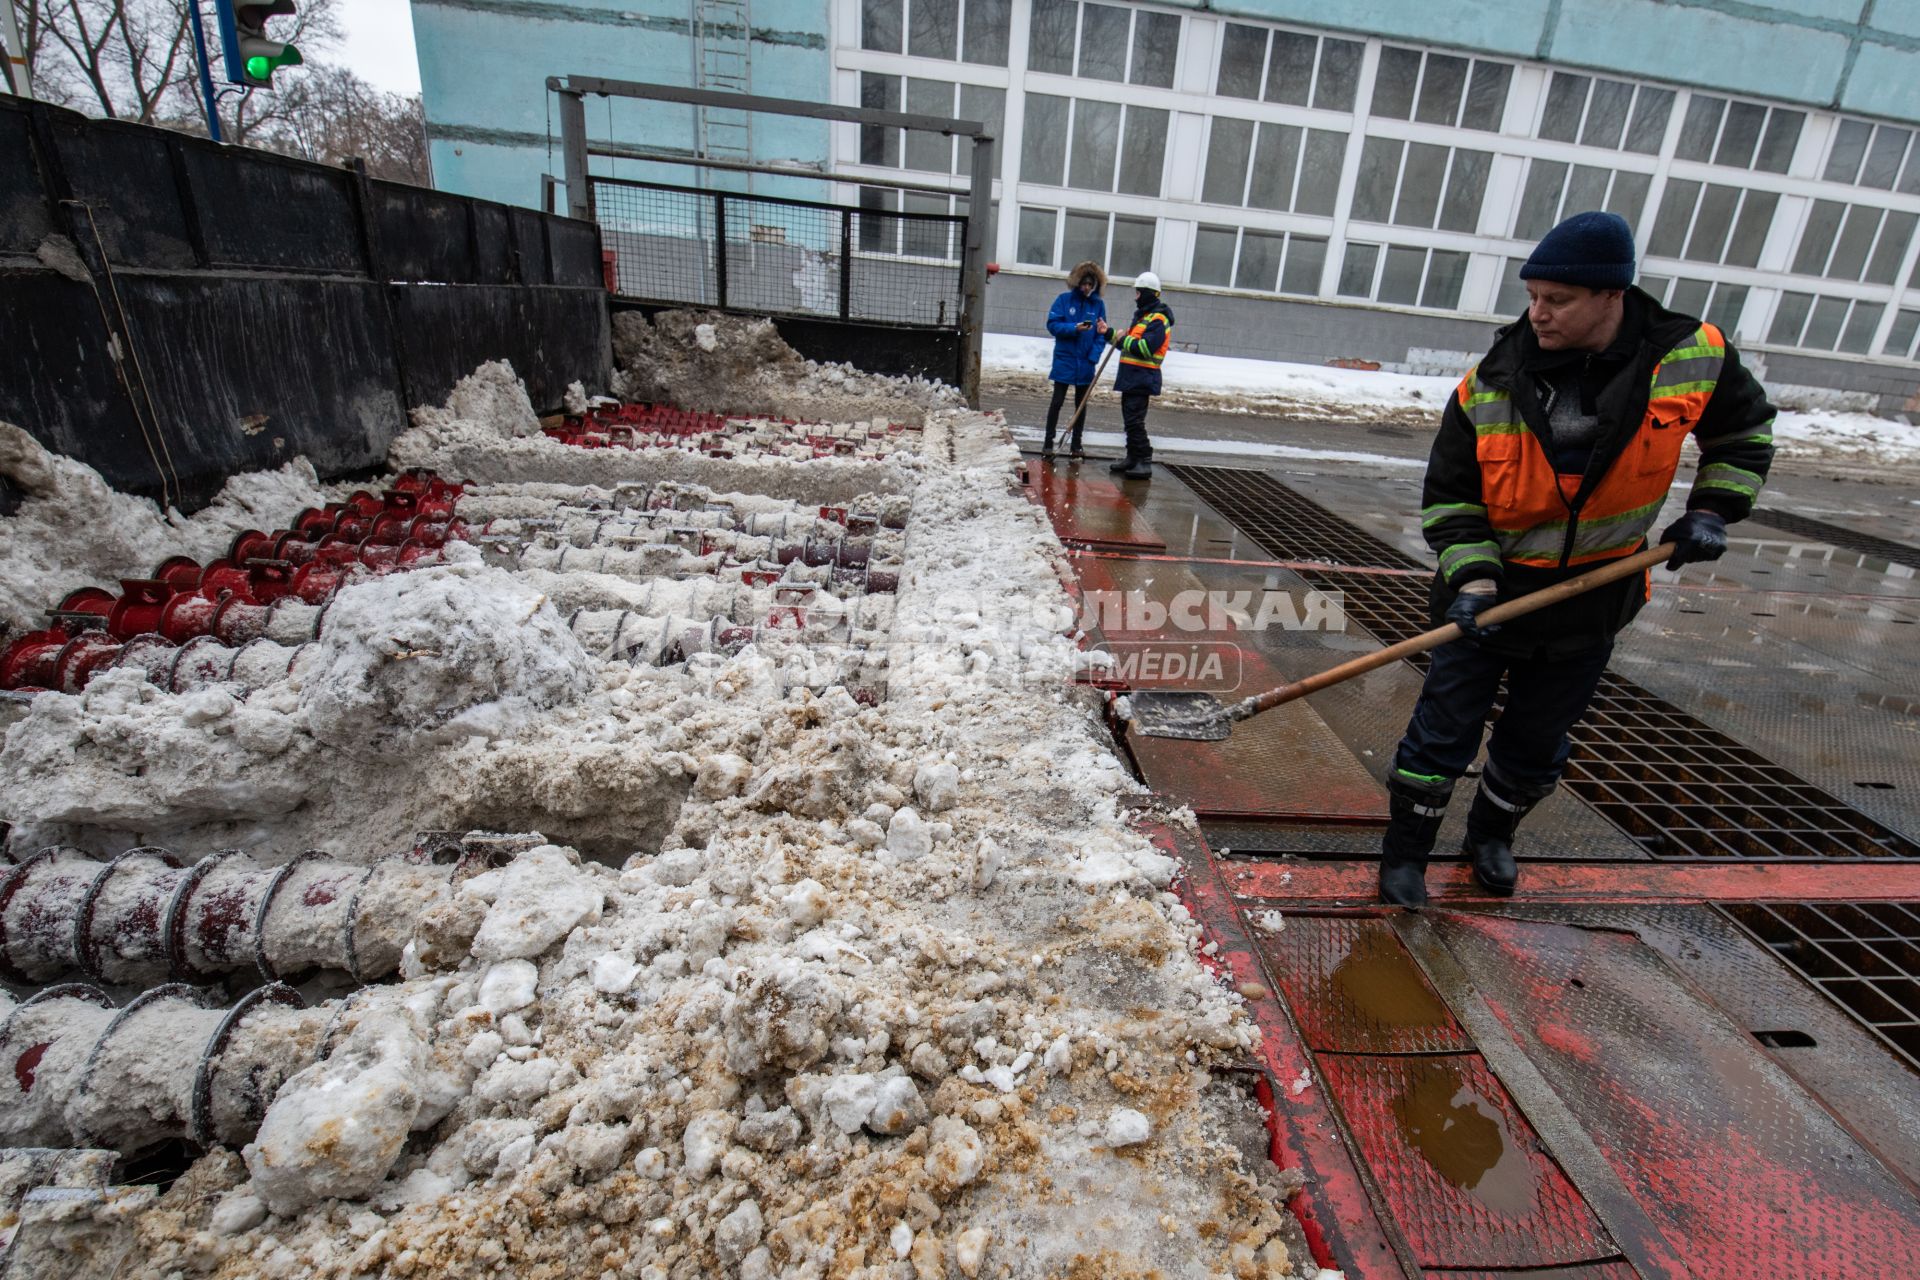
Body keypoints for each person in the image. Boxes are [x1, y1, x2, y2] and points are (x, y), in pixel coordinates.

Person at [1380, 210, 1776, 907]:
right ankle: (1406, 855)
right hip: (1491, 594)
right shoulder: (1492, 383)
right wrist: (1473, 580)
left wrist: (1713, 510)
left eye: (1557, 300)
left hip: (1596, 594)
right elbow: (1450, 499)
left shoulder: (1692, 354)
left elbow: (1743, 431)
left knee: (1535, 744)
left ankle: (1491, 839)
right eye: (1533, 297)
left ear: (1611, 296)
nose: (1538, 314)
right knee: (1441, 736)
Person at [1097, 272, 1174, 481]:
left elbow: (1145, 348)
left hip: (1142, 378)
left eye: (1138, 293)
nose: (1135, 297)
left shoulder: (1158, 319)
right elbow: (1127, 343)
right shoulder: (1143, 316)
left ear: (1148, 293)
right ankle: (1132, 457)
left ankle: (1144, 459)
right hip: (1132, 378)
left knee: (1135, 421)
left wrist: (1124, 338)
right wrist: (1108, 333)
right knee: (1129, 421)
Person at [1042, 261, 1108, 459]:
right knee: (1057, 402)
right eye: (1084, 284)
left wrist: (1093, 357)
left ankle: (1076, 445)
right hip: (1065, 359)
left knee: (1081, 405)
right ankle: (1048, 442)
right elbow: (1053, 324)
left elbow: (1101, 334)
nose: (1087, 288)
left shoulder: (1098, 305)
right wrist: (1074, 328)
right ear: (1077, 283)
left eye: (1090, 284)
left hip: (1086, 362)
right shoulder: (1064, 300)